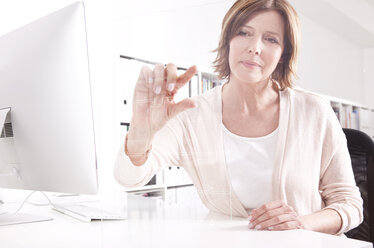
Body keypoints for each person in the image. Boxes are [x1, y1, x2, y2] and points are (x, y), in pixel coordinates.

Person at [114, 0, 363, 236]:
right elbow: (128, 178)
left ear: (283, 54)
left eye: (271, 39)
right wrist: (140, 130)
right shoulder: (191, 114)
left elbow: (350, 205)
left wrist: (299, 224)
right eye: (244, 32)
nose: (255, 47)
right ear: (228, 41)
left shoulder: (314, 112)